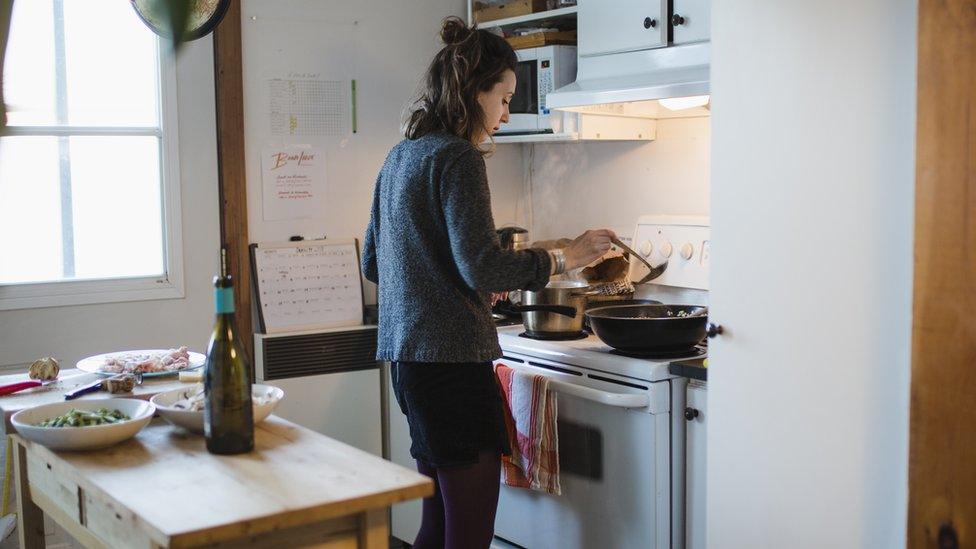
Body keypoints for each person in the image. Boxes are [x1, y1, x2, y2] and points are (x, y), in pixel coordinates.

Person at [361, 16, 615, 549]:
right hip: (452, 367)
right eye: (503, 98)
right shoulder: (457, 157)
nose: (505, 113)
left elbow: (375, 265)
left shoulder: (400, 157)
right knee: (472, 534)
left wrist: (450, 274)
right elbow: (481, 268)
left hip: (409, 366)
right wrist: (566, 255)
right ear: (474, 91)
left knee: (436, 524)